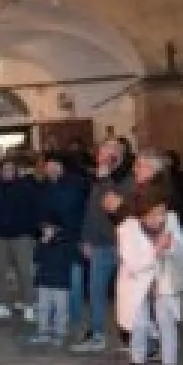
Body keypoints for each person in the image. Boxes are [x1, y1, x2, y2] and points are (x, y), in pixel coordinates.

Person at [115, 188, 183, 365]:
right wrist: (156, 249)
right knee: (138, 322)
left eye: (163, 212)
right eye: (155, 213)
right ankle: (136, 360)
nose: (161, 217)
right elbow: (132, 263)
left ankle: (170, 364)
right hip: (137, 281)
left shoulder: (171, 221)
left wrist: (171, 247)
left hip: (164, 278)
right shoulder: (126, 228)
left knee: (167, 321)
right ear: (142, 215)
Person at [72, 138, 135, 353]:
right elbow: (92, 210)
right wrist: (85, 238)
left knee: (126, 293)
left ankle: (130, 336)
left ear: (118, 155)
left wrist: (105, 179)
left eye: (106, 152)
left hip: (121, 244)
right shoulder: (99, 179)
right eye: (100, 151)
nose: (100, 155)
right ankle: (98, 334)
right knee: (96, 291)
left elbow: (115, 206)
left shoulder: (127, 179)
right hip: (98, 244)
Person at [36, 152, 89, 333]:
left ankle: (72, 319)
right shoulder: (44, 187)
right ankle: (55, 319)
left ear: (61, 166)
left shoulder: (75, 184)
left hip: (72, 239)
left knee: (73, 283)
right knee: (54, 283)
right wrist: (43, 228)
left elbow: (75, 211)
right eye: (47, 166)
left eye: (53, 165)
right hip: (51, 241)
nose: (50, 169)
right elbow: (40, 211)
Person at [0, 158, 39, 322]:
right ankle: (4, 305)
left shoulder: (26, 187)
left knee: (25, 271)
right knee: (0, 272)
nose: (7, 172)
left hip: (21, 235)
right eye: (4, 169)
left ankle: (29, 304)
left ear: (16, 170)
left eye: (10, 169)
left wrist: (32, 232)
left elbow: (34, 210)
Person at [28, 213, 73, 347]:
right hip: (43, 282)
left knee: (61, 308)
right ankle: (43, 332)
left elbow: (63, 260)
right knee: (43, 307)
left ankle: (60, 332)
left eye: (48, 228)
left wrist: (50, 245)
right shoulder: (41, 243)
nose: (45, 231)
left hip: (60, 283)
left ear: (57, 229)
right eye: (44, 228)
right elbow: (36, 260)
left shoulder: (64, 243)